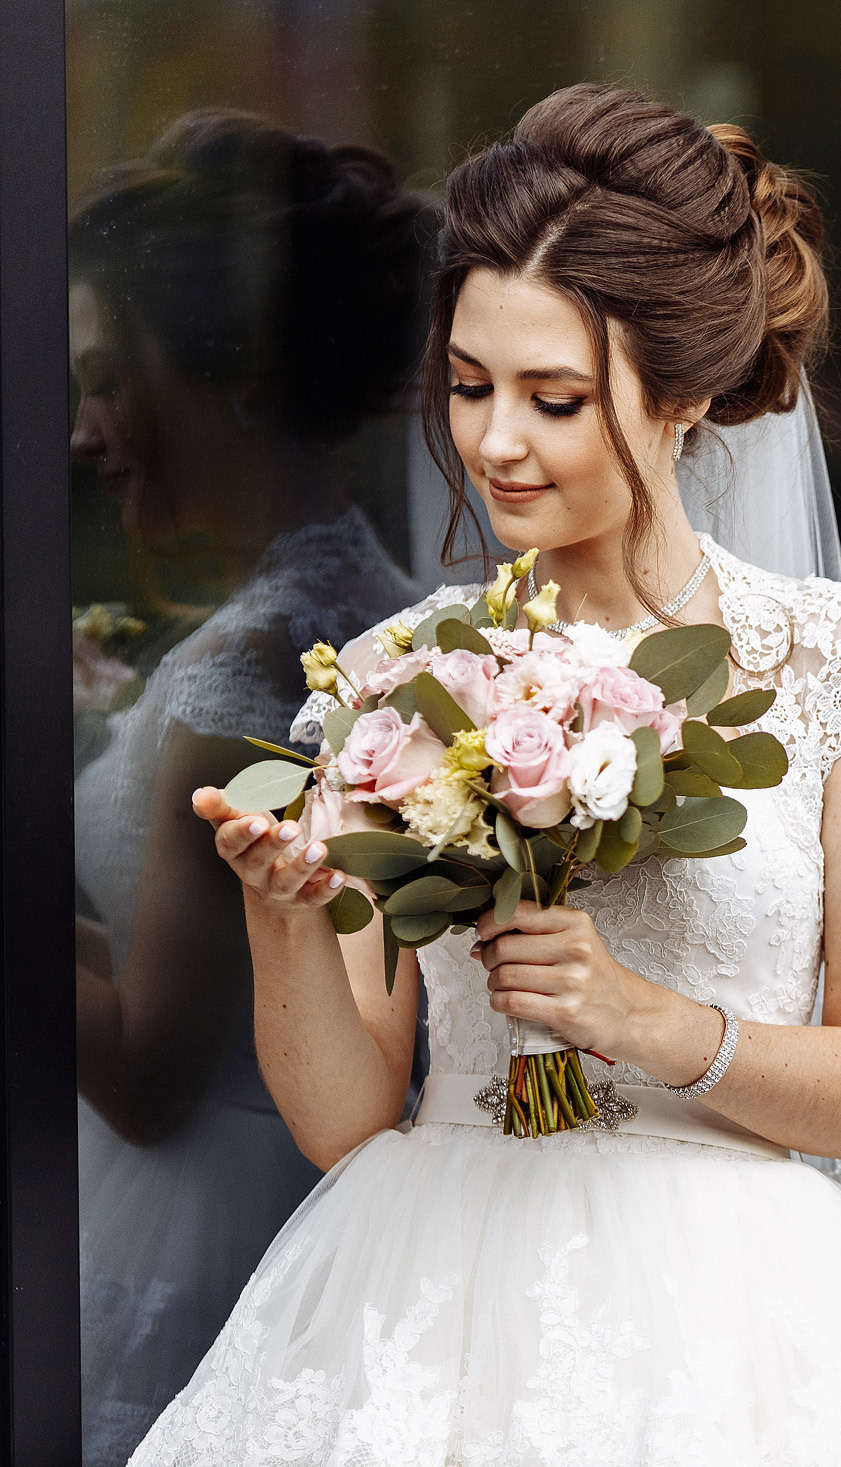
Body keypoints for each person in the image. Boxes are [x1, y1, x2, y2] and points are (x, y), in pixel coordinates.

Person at [135, 84, 841, 1466]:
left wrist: (646, 1021)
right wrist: (282, 915)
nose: (495, 443)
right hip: (431, 1293)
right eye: (469, 386)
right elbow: (347, 1120)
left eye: (555, 398)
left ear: (687, 394)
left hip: (749, 1320)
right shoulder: (396, 674)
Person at [68, 110, 424, 1465]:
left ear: (223, 375)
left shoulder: (244, 675)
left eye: (110, 380)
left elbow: (154, 1073)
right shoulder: (360, 605)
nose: (91, 434)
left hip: (211, 1212)